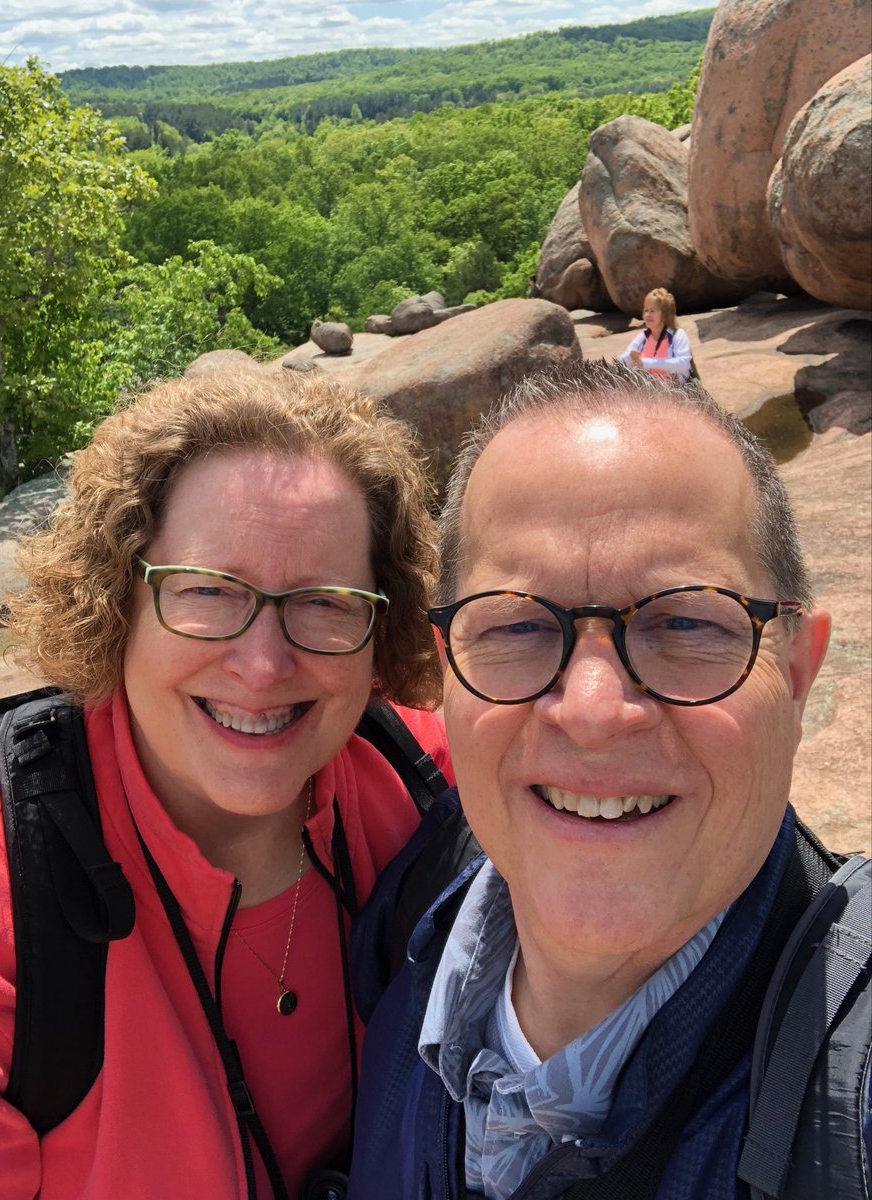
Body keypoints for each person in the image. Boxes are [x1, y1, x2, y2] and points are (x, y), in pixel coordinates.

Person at [348, 361, 870, 1198]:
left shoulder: (855, 1087)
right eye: (517, 624)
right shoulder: (406, 912)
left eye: (687, 620)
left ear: (800, 672)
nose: (592, 710)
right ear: (445, 673)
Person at [0, 370, 454, 1200]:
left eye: (326, 603)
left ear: (383, 628)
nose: (263, 666)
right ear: (115, 599)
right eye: (205, 592)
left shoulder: (425, 784)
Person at [617, 286, 692, 380]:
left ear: (665, 314)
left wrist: (647, 363)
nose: (648, 315)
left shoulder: (676, 334)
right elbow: (618, 364)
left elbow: (684, 364)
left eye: (653, 311)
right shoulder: (643, 337)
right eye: (646, 310)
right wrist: (629, 357)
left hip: (675, 391)